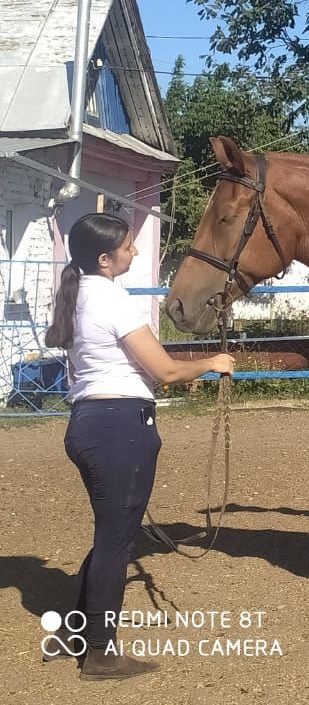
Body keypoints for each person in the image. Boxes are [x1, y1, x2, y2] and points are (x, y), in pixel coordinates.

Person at [43, 214, 235, 681]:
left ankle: (79, 632)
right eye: (127, 248)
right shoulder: (112, 299)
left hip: (89, 423)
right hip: (119, 428)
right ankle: (101, 653)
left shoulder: (79, 293)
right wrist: (214, 361)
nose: (133, 252)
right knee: (116, 542)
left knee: (109, 535)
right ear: (105, 259)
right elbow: (165, 370)